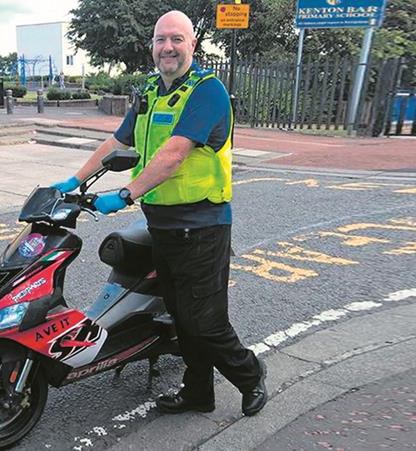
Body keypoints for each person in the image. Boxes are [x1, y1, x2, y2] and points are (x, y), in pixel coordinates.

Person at [50, 10, 266, 416]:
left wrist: (126, 194)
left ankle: (252, 376)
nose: (167, 47)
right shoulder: (149, 92)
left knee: (206, 321)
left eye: (177, 39)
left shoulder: (208, 91)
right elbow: (117, 141)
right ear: (152, 46)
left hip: (202, 227)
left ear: (192, 46)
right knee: (181, 320)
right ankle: (198, 393)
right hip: (162, 227)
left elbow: (174, 154)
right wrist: (72, 180)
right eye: (160, 39)